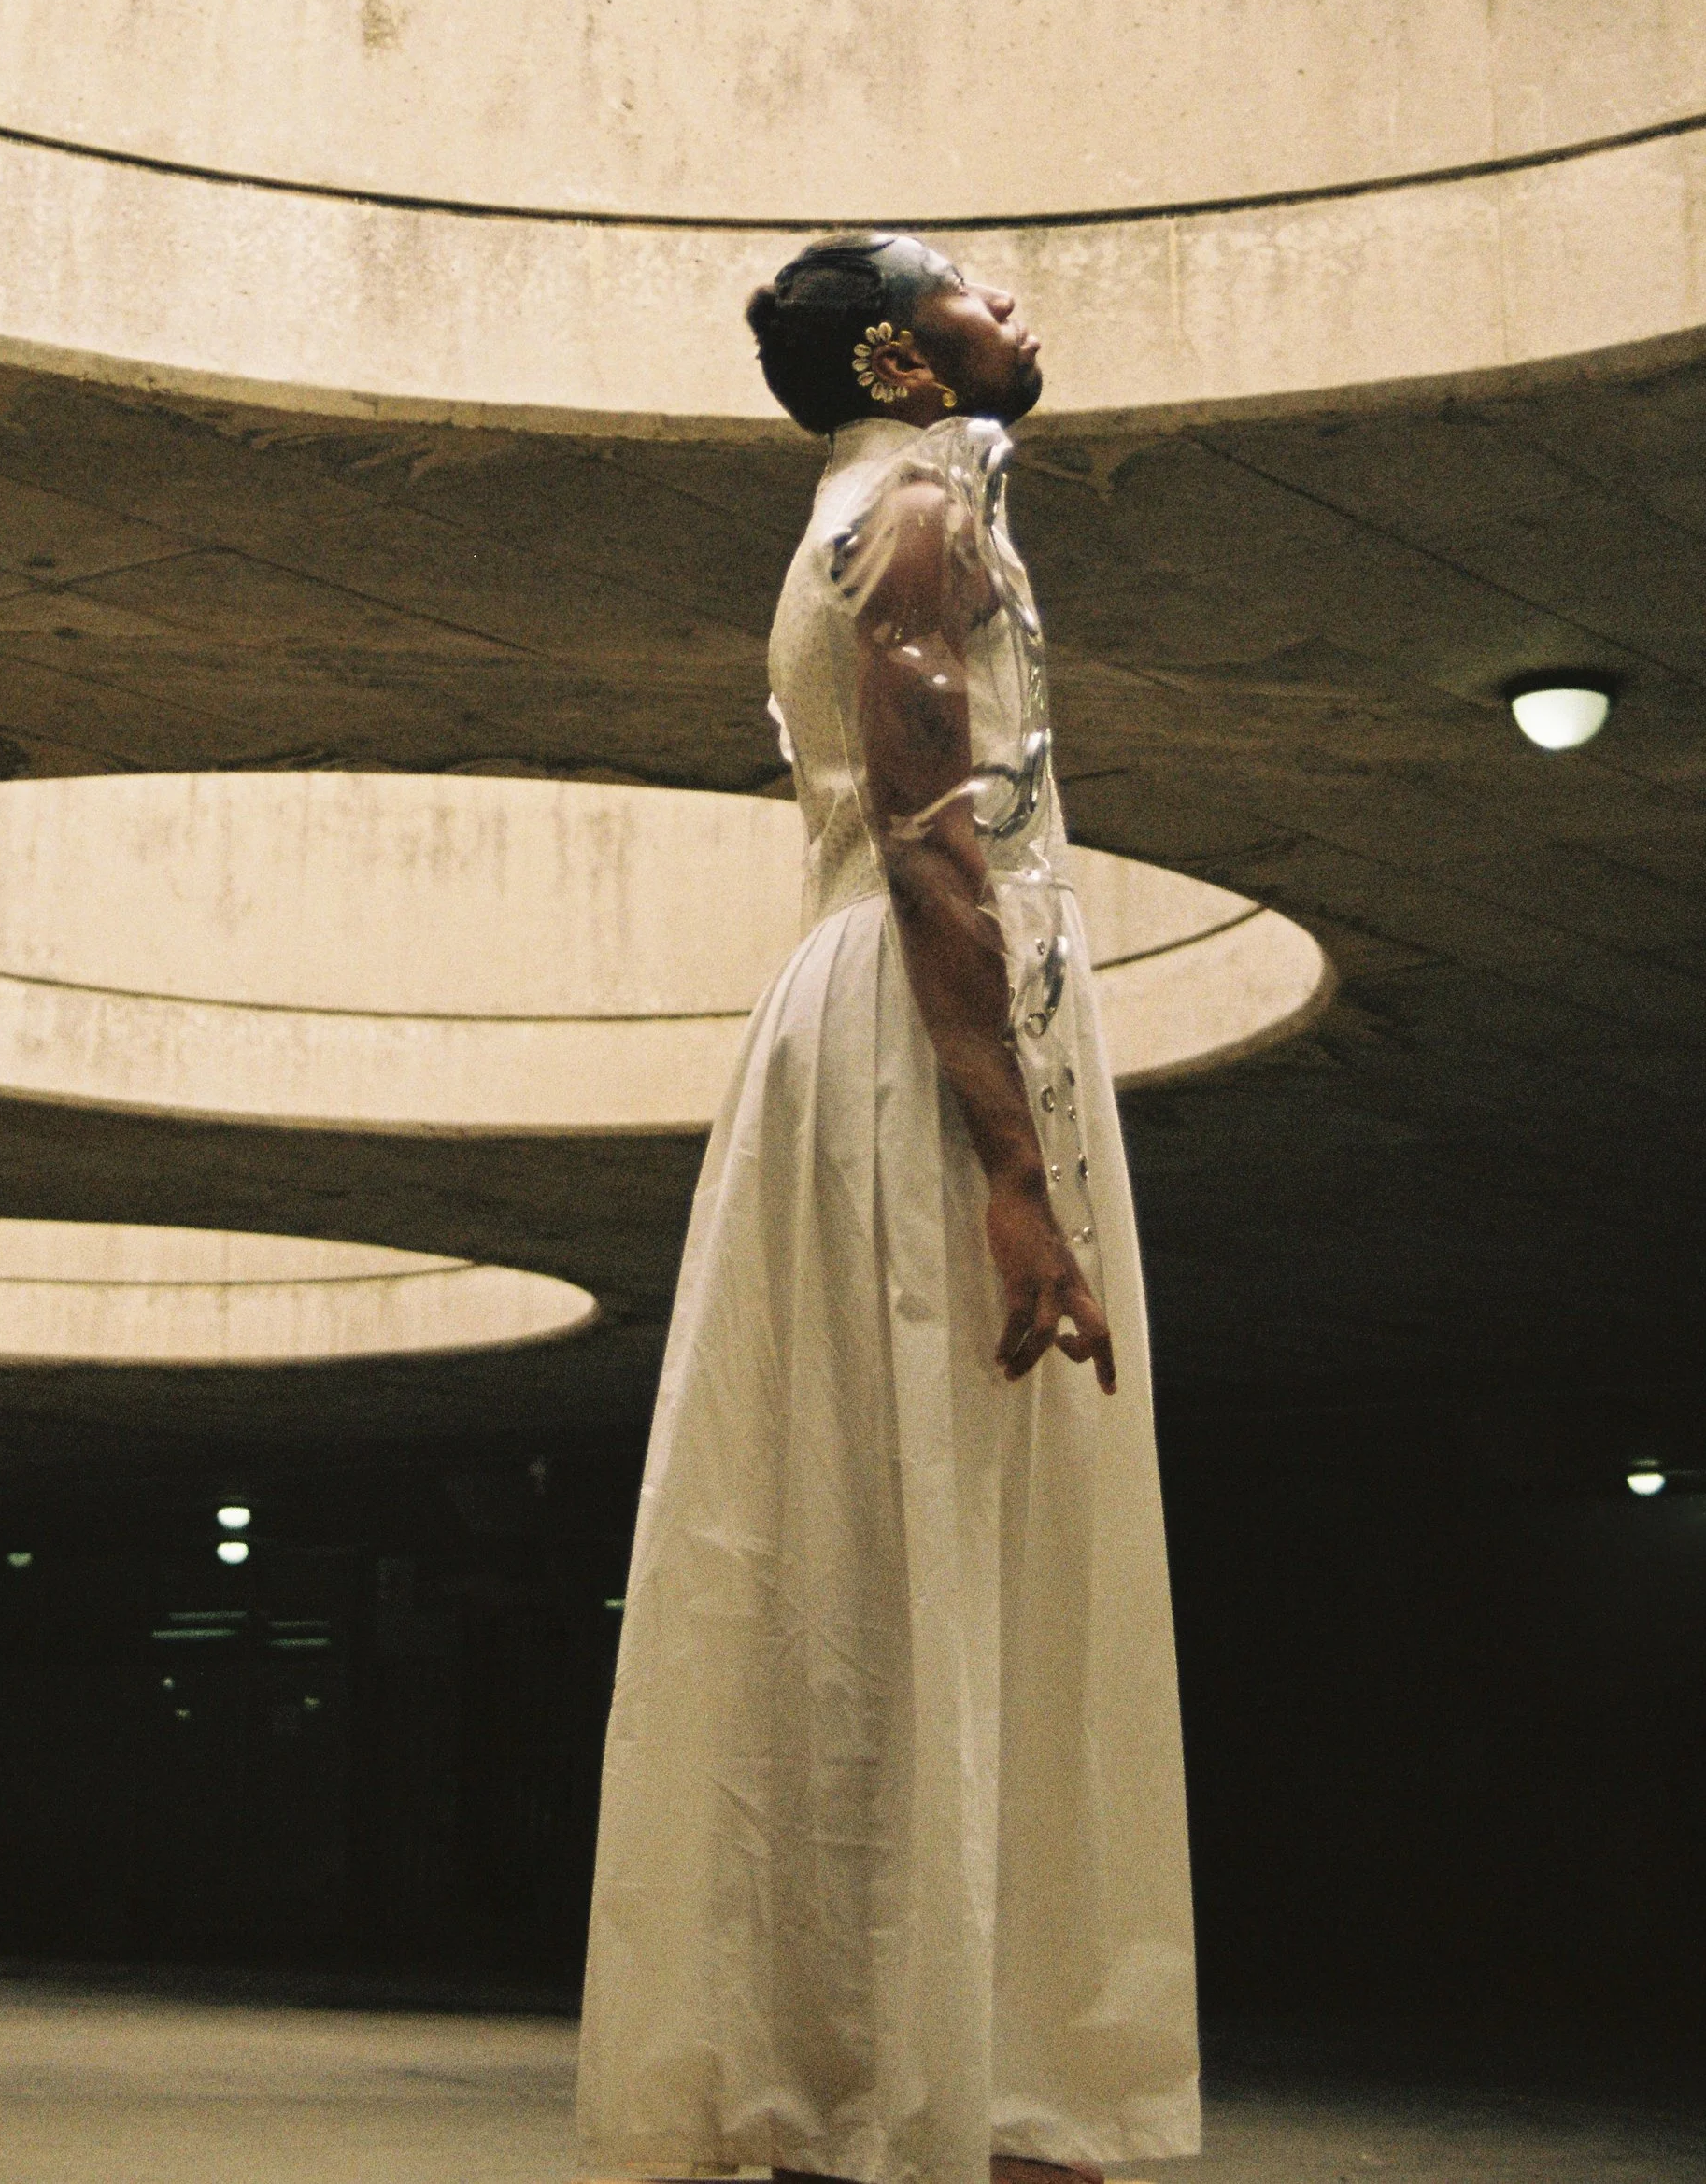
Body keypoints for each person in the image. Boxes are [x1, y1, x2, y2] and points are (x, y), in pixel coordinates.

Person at [577, 234, 1199, 2184]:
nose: (1010, 302)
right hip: (924, 1030)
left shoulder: (861, 501)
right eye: (967, 290)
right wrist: (1012, 1169)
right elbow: (934, 825)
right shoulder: (923, 498)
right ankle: (931, 2091)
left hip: (895, 1009)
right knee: (927, 1508)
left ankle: (871, 2064)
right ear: (891, 354)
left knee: (859, 1527)